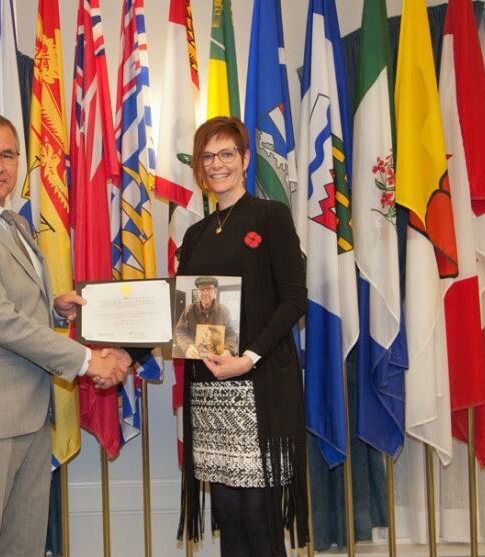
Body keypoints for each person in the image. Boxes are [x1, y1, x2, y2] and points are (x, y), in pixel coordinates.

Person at [0, 113, 133, 557]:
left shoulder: (15, 224)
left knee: (23, 544)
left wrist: (53, 307)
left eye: (7, 155)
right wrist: (86, 361)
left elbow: (16, 308)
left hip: (31, 411)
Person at [176, 116, 308, 556]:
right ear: (198, 166)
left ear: (245, 158)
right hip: (213, 391)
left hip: (259, 385)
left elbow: (294, 300)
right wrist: (108, 331)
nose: (217, 164)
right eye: (207, 156)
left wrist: (249, 356)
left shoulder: (270, 217)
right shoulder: (194, 235)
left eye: (226, 153)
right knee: (229, 516)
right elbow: (180, 315)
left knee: (258, 513)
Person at [174, 276, 237, 358]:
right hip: (195, 357)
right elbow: (180, 331)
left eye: (209, 289)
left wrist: (228, 349)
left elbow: (231, 334)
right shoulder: (189, 310)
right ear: (198, 292)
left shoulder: (224, 311)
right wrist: (187, 346)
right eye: (202, 289)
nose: (205, 293)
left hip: (217, 357)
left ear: (215, 291)